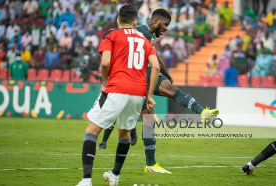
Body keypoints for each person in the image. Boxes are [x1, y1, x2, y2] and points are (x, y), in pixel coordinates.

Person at [97, 8, 219, 174]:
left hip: (145, 75)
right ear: (156, 21)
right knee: (157, 109)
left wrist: (167, 74)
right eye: (165, 24)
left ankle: (150, 163)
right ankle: (147, 160)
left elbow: (155, 57)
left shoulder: (147, 34)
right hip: (138, 77)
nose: (166, 28)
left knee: (150, 118)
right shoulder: (141, 31)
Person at [75, 4, 160, 186]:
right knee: (125, 133)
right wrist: (150, 95)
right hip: (138, 94)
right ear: (136, 21)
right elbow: (156, 67)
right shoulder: (145, 40)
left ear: (118, 20)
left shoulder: (112, 34)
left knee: (91, 131)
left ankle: (86, 180)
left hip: (116, 88)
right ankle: (114, 176)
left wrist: (105, 81)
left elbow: (105, 62)